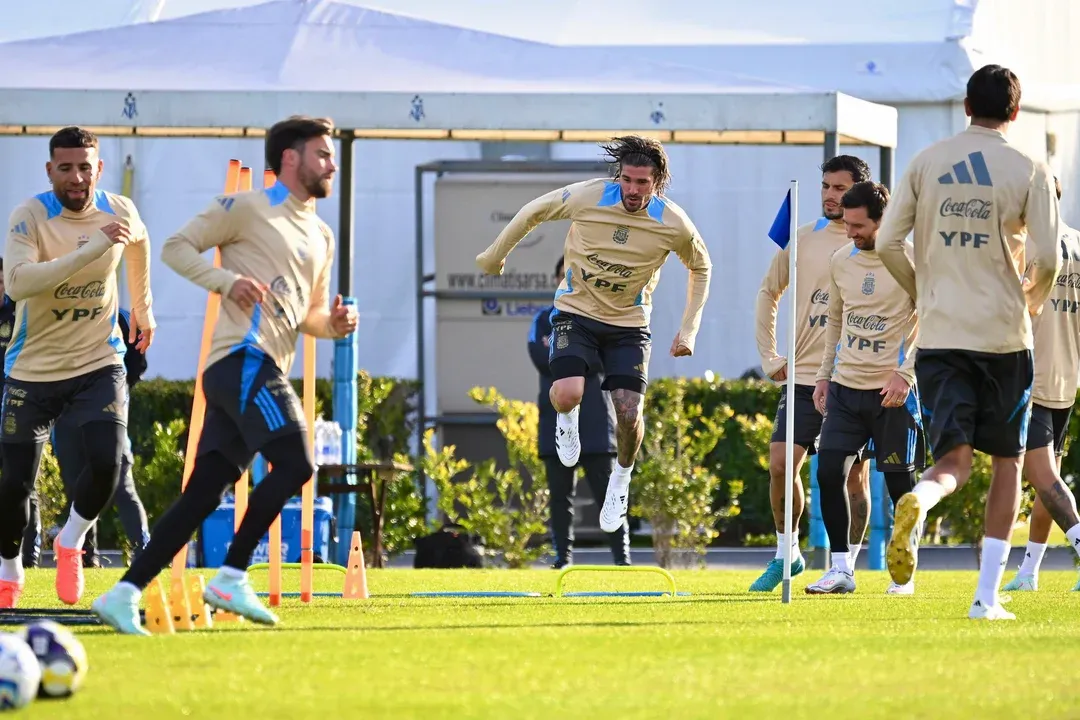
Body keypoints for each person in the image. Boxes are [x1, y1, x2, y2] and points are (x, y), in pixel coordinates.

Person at [92, 115, 358, 635]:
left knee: (203, 494)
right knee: (297, 462)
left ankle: (122, 593)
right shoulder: (247, 207)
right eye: (323, 153)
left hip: (257, 366)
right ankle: (232, 575)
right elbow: (174, 247)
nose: (332, 163)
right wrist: (226, 281)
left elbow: (311, 316)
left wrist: (338, 325)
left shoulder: (322, 234)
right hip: (241, 358)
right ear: (290, 158)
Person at [877, 64, 1061, 620]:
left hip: (940, 336)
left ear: (964, 104)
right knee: (1007, 462)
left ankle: (921, 498)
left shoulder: (927, 160)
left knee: (952, 461)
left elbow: (888, 241)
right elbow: (1048, 258)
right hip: (1004, 336)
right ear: (1015, 110)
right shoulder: (1029, 167)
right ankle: (986, 598)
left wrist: (924, 291)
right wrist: (1029, 300)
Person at [475, 135, 712, 537]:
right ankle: (566, 421)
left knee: (628, 412)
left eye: (643, 183)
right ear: (618, 176)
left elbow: (702, 268)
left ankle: (622, 478)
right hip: (576, 313)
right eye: (628, 180)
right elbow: (534, 211)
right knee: (567, 393)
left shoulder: (673, 222)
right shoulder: (588, 196)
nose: (634, 191)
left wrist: (688, 329)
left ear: (657, 183)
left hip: (629, 324)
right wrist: (495, 255)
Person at [0, 127, 155, 610]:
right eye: (65, 168)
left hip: (98, 360)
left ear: (99, 169)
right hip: (33, 367)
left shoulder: (120, 209)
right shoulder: (30, 214)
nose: (76, 177)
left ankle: (71, 541)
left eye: (85, 167)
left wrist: (144, 306)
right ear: (50, 171)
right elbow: (20, 282)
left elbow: (139, 241)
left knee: (109, 463)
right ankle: (9, 567)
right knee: (14, 487)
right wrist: (90, 250)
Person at [750, 155, 874, 593]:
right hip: (802, 376)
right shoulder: (801, 239)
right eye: (826, 186)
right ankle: (788, 553)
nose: (829, 195)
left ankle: (847, 566)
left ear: (858, 191)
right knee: (782, 464)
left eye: (840, 188)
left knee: (853, 479)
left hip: (854, 377)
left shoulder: (878, 244)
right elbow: (768, 293)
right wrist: (770, 355)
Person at [806, 181, 923, 596]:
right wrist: (823, 375)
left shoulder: (910, 260)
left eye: (858, 225)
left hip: (891, 393)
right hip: (845, 388)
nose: (851, 232)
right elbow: (835, 321)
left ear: (884, 220)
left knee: (899, 487)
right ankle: (841, 570)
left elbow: (931, 319)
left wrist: (905, 374)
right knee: (827, 471)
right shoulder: (841, 259)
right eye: (847, 224)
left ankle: (904, 576)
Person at [1002, 176, 1080, 592]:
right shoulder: (1079, 243)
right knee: (1050, 476)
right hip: (1066, 378)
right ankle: (1030, 571)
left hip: (1027, 376)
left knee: (1040, 474)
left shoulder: (1024, 246)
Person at [528, 255, 629, 568]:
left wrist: (568, 361)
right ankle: (563, 558)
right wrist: (579, 361)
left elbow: (605, 360)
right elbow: (540, 358)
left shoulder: (602, 319)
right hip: (555, 419)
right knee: (560, 498)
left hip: (596, 420)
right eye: (562, 275)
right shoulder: (543, 320)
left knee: (608, 494)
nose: (566, 281)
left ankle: (622, 558)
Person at [35, 305, 151, 568]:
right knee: (77, 484)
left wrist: (116, 393)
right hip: (67, 411)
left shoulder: (118, 315)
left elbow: (136, 360)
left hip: (107, 407)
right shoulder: (57, 310)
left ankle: (143, 549)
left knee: (121, 480)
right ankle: (86, 554)